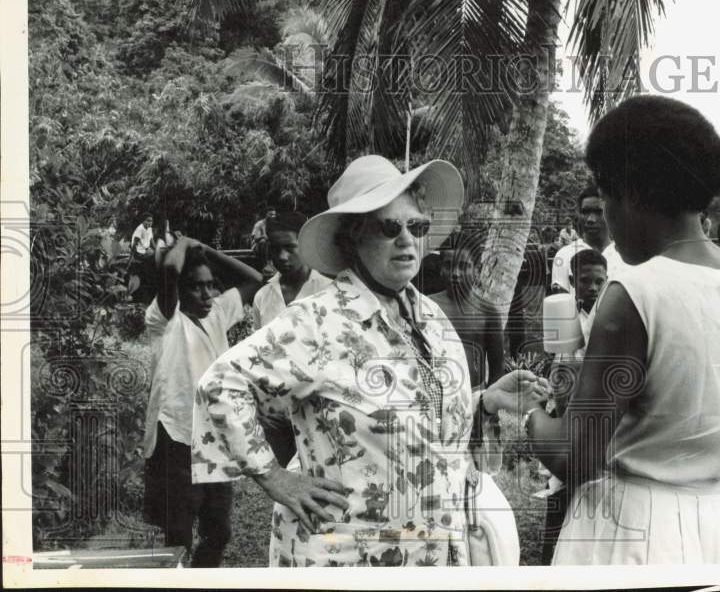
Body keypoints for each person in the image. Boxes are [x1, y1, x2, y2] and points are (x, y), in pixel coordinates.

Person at [190, 155, 548, 567]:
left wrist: (484, 400)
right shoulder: (318, 321)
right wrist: (275, 477)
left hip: (430, 554)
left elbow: (411, 417)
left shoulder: (430, 318)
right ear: (351, 239)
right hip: (345, 559)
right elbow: (220, 385)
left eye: (416, 226)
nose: (407, 239)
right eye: (389, 227)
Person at [524, 95, 720, 565]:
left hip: (635, 527)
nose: (603, 213)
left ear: (631, 193)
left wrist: (527, 414)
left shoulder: (637, 291)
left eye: (604, 195)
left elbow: (574, 458)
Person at [142, 237, 263, 566]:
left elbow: (254, 279)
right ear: (179, 291)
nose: (208, 294)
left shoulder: (217, 314)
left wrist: (205, 251)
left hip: (213, 436)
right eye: (196, 287)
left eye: (211, 286)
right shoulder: (165, 319)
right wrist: (183, 243)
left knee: (219, 530)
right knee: (178, 533)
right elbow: (168, 269)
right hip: (176, 436)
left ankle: (201, 578)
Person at [538, 248, 607, 565]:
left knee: (593, 498)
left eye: (599, 282)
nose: (593, 288)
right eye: (585, 281)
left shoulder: (610, 318)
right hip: (566, 409)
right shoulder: (562, 312)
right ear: (572, 282)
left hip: (596, 416)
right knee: (560, 493)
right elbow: (558, 364)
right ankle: (548, 564)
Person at [252, 211, 335, 467]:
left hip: (319, 411)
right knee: (288, 490)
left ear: (305, 246)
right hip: (276, 414)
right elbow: (259, 355)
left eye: (290, 248)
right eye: (275, 250)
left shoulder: (328, 292)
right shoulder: (263, 297)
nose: (282, 257)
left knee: (323, 479)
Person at [428, 233, 505, 391]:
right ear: (441, 268)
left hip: (474, 395)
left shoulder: (487, 312)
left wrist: (487, 405)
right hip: (435, 394)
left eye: (463, 266)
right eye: (449, 265)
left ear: (476, 270)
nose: (455, 273)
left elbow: (497, 369)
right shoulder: (427, 306)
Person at [550, 187, 622, 294]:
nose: (590, 219)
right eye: (585, 212)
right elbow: (561, 303)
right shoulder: (564, 255)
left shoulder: (623, 256)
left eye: (598, 212)